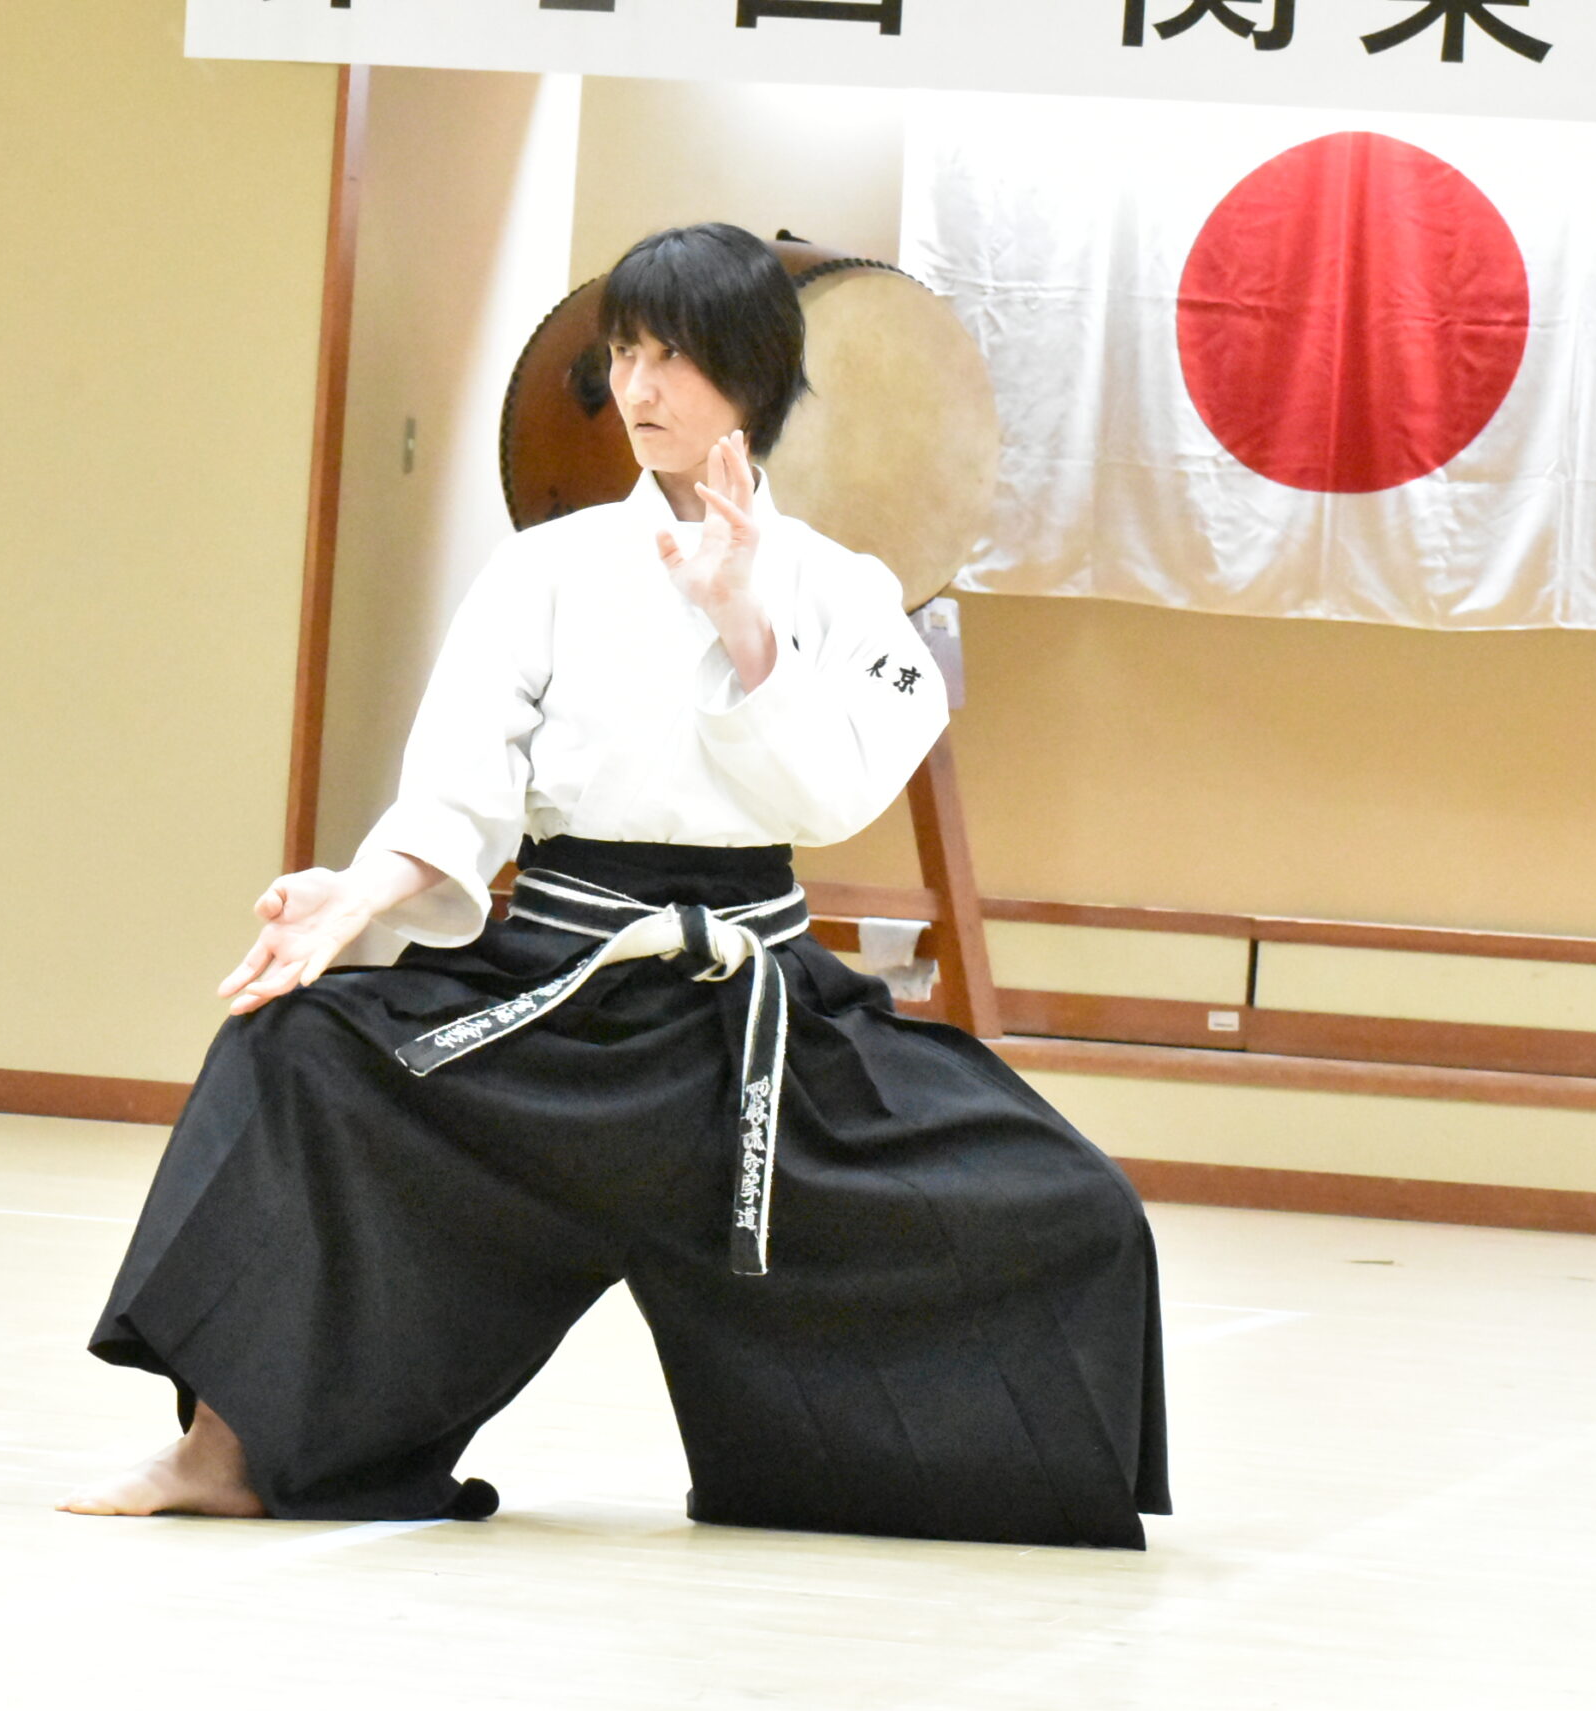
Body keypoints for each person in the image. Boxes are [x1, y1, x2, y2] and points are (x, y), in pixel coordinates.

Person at [63, 223, 1170, 1546]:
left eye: (673, 357)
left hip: (760, 1014)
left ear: (755, 372)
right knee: (294, 1052)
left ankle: (926, 1476)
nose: (638, 388)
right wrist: (360, 894)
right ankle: (226, 1452)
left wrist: (746, 623)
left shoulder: (848, 591)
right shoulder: (548, 566)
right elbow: (460, 789)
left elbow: (830, 801)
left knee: (1070, 1204)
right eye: (626, 355)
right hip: (563, 994)